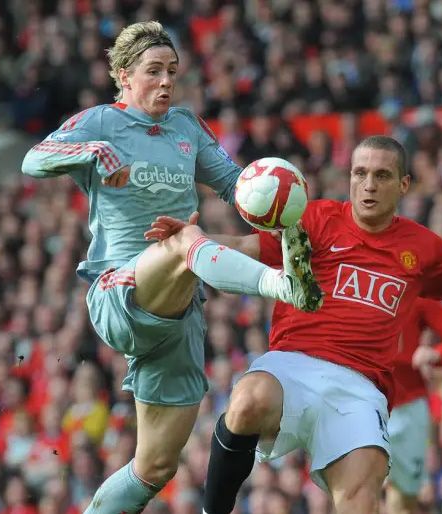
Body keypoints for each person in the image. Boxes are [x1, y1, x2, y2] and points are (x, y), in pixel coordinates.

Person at [149, 135, 442, 513]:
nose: (368, 185)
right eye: (360, 173)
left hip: (361, 387)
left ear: (403, 185)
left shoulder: (422, 247)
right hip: (293, 363)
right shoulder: (316, 218)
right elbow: (247, 247)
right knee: (246, 400)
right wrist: (189, 240)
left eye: (381, 176)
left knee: (364, 500)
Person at [20, 21, 322, 514]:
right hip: (120, 288)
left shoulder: (185, 127)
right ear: (124, 76)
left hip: (179, 311)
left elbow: (233, 187)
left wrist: (279, 199)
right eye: (153, 71)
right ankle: (282, 286)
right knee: (185, 238)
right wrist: (91, 149)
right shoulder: (100, 121)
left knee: (156, 467)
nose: (165, 82)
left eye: (173, 72)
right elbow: (34, 159)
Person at [387, 298, 442, 514]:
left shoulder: (415, 295)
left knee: (407, 497)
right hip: (363, 404)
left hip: (407, 406)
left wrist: (438, 353)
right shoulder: (348, 285)